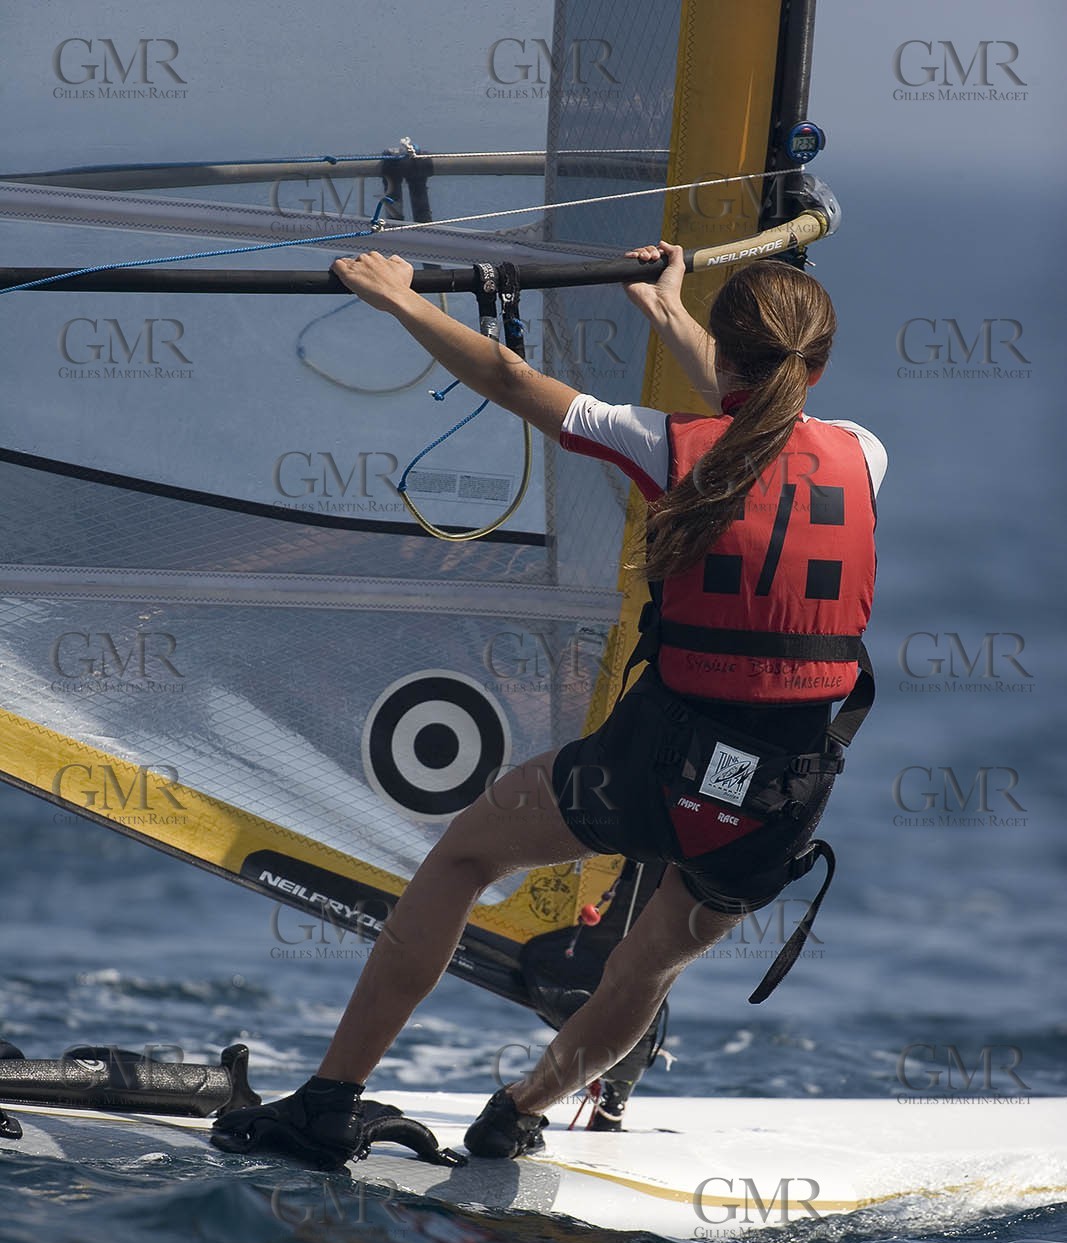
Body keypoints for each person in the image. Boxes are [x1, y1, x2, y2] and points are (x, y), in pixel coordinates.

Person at [212, 243, 886, 1168]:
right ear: (820, 366)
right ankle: (518, 1111)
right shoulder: (862, 454)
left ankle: (329, 1101)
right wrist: (670, 312)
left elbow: (508, 378)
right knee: (646, 965)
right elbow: (766, 404)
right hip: (774, 798)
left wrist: (401, 300)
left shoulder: (661, 444)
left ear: (728, 355)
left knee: (465, 856)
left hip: (647, 770)